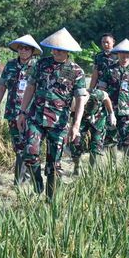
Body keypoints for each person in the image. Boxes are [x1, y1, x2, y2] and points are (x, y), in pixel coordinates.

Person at [17, 28, 88, 199]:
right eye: (54, 48)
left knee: (54, 165)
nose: (56, 52)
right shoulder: (41, 64)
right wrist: (22, 112)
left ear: (67, 51)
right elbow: (31, 87)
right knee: (30, 151)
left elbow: (80, 100)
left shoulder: (76, 71)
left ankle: (50, 200)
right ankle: (37, 183)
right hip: (36, 117)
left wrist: (76, 125)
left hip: (59, 123)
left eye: (60, 49)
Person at [0, 35, 42, 185]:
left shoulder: (38, 67)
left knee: (29, 147)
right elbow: (1, 87)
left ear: (32, 51)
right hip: (13, 112)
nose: (23, 50)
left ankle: (21, 181)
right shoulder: (11, 65)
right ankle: (24, 178)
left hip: (31, 114)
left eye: (27, 48)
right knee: (18, 147)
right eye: (20, 48)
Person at [97, 39, 129, 160]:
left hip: (127, 111)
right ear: (118, 54)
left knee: (128, 139)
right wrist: (106, 110)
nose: (124, 56)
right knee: (111, 139)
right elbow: (102, 90)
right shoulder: (109, 70)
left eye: (127, 54)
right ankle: (113, 166)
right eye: (122, 53)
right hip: (111, 110)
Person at [70, 88, 116, 174]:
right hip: (81, 120)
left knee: (97, 142)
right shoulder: (71, 100)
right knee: (76, 143)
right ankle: (77, 167)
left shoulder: (96, 94)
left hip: (99, 117)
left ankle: (92, 172)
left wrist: (111, 114)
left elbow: (106, 98)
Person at [89, 33, 118, 149]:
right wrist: (91, 89)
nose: (105, 44)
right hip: (101, 90)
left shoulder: (118, 55)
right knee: (100, 116)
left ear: (113, 43)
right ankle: (101, 142)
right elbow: (95, 73)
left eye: (108, 42)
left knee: (113, 117)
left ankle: (113, 143)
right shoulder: (99, 56)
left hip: (114, 91)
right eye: (103, 42)